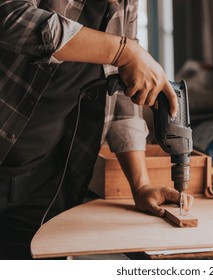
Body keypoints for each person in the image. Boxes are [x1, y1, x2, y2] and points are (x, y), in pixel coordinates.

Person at [0, 0, 193, 259]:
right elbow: (11, 17)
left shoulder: (127, 4)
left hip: (43, 173)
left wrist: (141, 186)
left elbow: (125, 96)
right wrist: (124, 51)